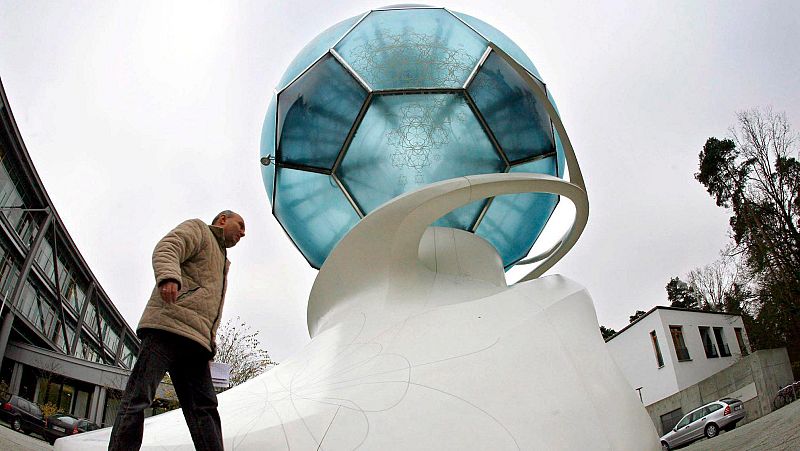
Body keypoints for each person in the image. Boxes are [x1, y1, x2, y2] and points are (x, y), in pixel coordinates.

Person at [108, 210, 246, 451]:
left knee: (205, 409)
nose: (243, 233)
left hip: (196, 344)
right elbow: (169, 246)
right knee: (139, 397)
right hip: (167, 328)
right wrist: (169, 277)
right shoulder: (199, 230)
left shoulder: (222, 261)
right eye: (240, 225)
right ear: (223, 220)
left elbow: (209, 310)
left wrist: (210, 346)